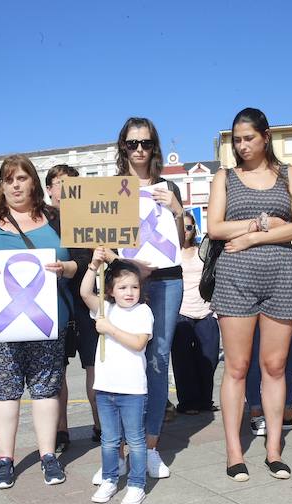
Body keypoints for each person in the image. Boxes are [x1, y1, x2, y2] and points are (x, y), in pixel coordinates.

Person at [0, 155, 81, 489]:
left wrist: (66, 269)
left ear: (33, 182)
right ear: (1, 186)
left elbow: (81, 259)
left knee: (46, 390)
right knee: (5, 392)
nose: (16, 185)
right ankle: (4, 460)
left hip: (48, 321)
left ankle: (48, 456)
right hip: (1, 324)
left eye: (22, 178)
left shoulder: (56, 218)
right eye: (9, 180)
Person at [208, 107, 292, 482]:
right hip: (235, 276)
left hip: (281, 276)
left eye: (248, 137)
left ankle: (273, 451)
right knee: (235, 367)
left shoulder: (290, 174)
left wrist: (252, 237)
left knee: (275, 367)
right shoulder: (225, 177)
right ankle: (235, 452)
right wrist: (263, 222)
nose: (242, 145)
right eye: (236, 139)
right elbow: (216, 228)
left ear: (266, 136)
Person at [109, 117, 185, 479]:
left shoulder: (170, 186)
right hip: (128, 282)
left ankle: (149, 447)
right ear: (122, 147)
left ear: (154, 146)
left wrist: (177, 209)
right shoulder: (112, 189)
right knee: (126, 359)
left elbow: (183, 240)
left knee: (157, 360)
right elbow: (103, 245)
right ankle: (123, 448)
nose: (139, 149)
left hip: (168, 281)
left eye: (145, 143)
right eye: (132, 143)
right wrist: (125, 262)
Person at [81, 250, 153, 504]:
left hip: (132, 390)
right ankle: (110, 479)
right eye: (122, 287)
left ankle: (136, 484)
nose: (129, 291)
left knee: (135, 440)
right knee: (109, 440)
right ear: (110, 290)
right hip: (105, 388)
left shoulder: (143, 312)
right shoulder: (105, 308)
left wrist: (109, 328)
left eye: (134, 286)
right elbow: (85, 293)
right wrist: (94, 265)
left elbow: (138, 343)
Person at [45, 164, 100, 452]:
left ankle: (101, 425)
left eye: (71, 184)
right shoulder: (40, 221)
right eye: (59, 183)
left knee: (95, 366)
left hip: (87, 300)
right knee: (57, 370)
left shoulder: (90, 216)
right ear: (49, 189)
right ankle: (61, 430)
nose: (65, 189)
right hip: (54, 303)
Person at [171, 211, 220, 414]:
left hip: (206, 311)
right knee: (183, 361)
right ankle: (187, 403)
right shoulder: (170, 254)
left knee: (209, 358)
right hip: (181, 312)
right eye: (183, 227)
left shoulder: (203, 251)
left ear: (194, 230)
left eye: (189, 227)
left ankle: (205, 400)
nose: (186, 231)